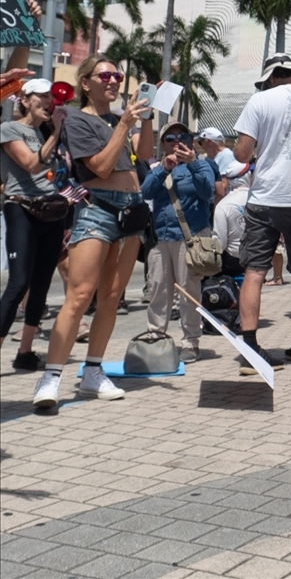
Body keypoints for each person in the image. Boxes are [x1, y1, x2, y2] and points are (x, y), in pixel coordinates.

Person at [32, 54, 154, 407]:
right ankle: (51, 376)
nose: (113, 81)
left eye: (116, 75)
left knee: (112, 297)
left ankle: (93, 371)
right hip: (98, 208)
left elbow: (143, 156)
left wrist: (143, 121)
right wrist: (122, 126)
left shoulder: (119, 119)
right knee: (81, 295)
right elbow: (98, 167)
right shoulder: (76, 120)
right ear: (85, 84)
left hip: (131, 211)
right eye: (105, 76)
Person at [232, 53, 291, 374]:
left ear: (272, 76)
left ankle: (249, 348)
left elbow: (242, 153)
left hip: (264, 198)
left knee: (255, 272)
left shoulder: (259, 101)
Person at [1, 79, 68, 369]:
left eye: (49, 96)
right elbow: (30, 164)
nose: (47, 101)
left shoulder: (48, 131)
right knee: (18, 284)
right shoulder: (9, 129)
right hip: (22, 209)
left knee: (41, 284)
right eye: (40, 96)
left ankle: (25, 352)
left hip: (51, 211)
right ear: (25, 100)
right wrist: (56, 132)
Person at [140, 122, 216, 362]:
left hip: (190, 239)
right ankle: (156, 337)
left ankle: (190, 342)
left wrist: (192, 163)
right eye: (170, 138)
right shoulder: (156, 168)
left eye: (182, 136)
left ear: (191, 141)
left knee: (189, 293)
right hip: (162, 239)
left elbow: (208, 191)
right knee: (158, 291)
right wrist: (164, 169)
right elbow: (146, 192)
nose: (176, 141)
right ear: (162, 144)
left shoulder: (203, 165)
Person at [195, 127, 234, 202]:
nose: (201, 146)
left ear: (209, 141)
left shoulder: (226, 156)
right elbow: (204, 157)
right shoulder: (216, 156)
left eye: (200, 142)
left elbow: (223, 188)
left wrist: (213, 209)